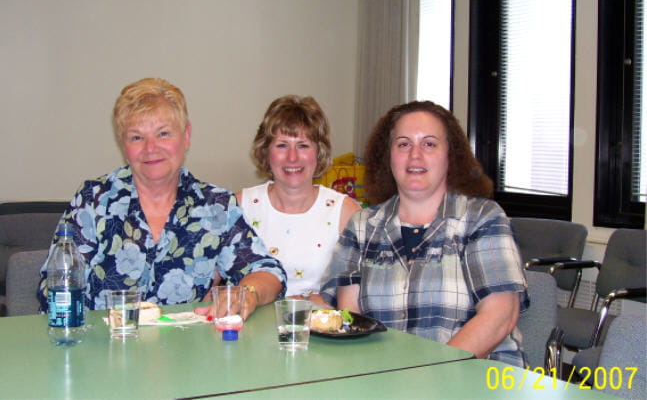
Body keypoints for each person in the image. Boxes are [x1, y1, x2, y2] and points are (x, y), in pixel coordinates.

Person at [37, 78, 286, 319]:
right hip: (103, 348)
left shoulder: (215, 206)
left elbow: (267, 271)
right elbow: (55, 287)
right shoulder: (94, 201)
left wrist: (247, 293)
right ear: (123, 145)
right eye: (136, 137)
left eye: (163, 133)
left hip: (184, 353)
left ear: (186, 136)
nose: (151, 148)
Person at [320, 101, 529, 367]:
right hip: (385, 379)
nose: (415, 155)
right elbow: (352, 318)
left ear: (450, 155)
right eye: (403, 144)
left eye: (429, 144)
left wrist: (429, 376)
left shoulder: (483, 218)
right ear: (388, 156)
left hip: (477, 378)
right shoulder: (362, 225)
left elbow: (500, 316)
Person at [236, 95, 360, 308]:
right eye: (282, 145)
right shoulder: (238, 206)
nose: (292, 158)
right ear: (266, 151)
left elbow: (357, 296)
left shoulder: (346, 212)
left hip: (320, 334)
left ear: (319, 152)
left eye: (303, 145)